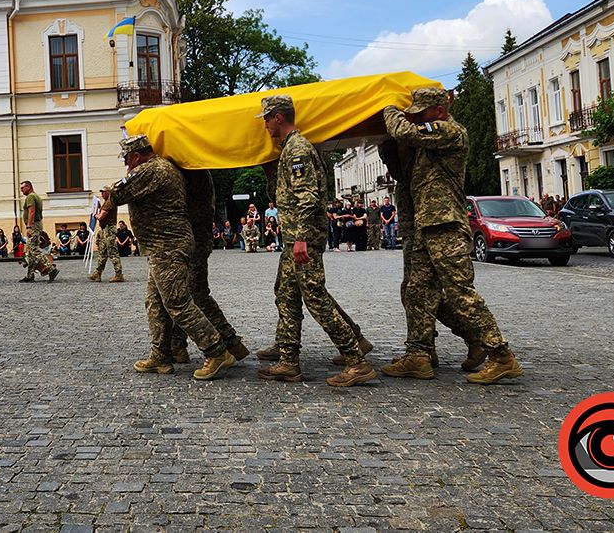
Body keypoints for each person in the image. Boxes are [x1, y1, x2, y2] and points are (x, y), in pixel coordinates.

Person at [381, 87, 522, 384]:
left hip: (445, 224)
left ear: (440, 111)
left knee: (459, 292)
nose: (417, 118)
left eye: (421, 114)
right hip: (425, 224)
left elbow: (404, 131)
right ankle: (418, 355)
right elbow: (403, 170)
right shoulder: (427, 142)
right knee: (416, 290)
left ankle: (501, 355)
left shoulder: (449, 131)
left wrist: (388, 108)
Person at [256, 95, 376, 387]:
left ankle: (356, 360)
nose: (265, 125)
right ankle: (288, 359)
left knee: (315, 298)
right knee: (285, 293)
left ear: (278, 117)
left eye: (266, 119)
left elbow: (307, 198)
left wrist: (301, 238)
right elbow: (287, 195)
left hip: (303, 239)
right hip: (294, 239)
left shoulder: (297, 150)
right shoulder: (289, 149)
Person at [104, 134, 237, 381]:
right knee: (155, 303)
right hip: (161, 248)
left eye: (127, 159)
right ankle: (160, 356)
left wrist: (108, 199)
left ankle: (216, 350)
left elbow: (116, 193)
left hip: (168, 247)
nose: (126, 164)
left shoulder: (153, 169)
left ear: (136, 156)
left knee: (178, 303)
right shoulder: (160, 168)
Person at [378, 138, 484, 373]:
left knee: (423, 291)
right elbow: (399, 173)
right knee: (414, 291)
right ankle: (425, 349)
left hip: (428, 228)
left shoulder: (422, 143)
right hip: (413, 228)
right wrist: (387, 148)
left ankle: (473, 336)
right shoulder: (404, 156)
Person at [167, 168, 250, 365]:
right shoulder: (196, 171)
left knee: (195, 295)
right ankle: (177, 345)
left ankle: (230, 341)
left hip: (193, 242)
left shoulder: (193, 173)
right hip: (194, 241)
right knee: (185, 294)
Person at [20, 181, 58, 282]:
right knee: (31, 252)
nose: (21, 190)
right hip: (37, 224)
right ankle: (30, 275)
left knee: (34, 250)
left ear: (29, 187)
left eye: (23, 188)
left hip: (33, 225)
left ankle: (51, 269)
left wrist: (29, 226)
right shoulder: (36, 196)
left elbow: (31, 212)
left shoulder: (30, 197)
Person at [90, 186, 125, 282]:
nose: (102, 194)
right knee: (102, 252)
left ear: (108, 192)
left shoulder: (109, 202)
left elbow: (101, 217)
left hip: (109, 229)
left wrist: (94, 214)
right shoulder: (107, 202)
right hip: (105, 229)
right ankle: (98, 273)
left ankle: (119, 274)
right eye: (101, 192)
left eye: (103, 192)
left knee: (112, 252)